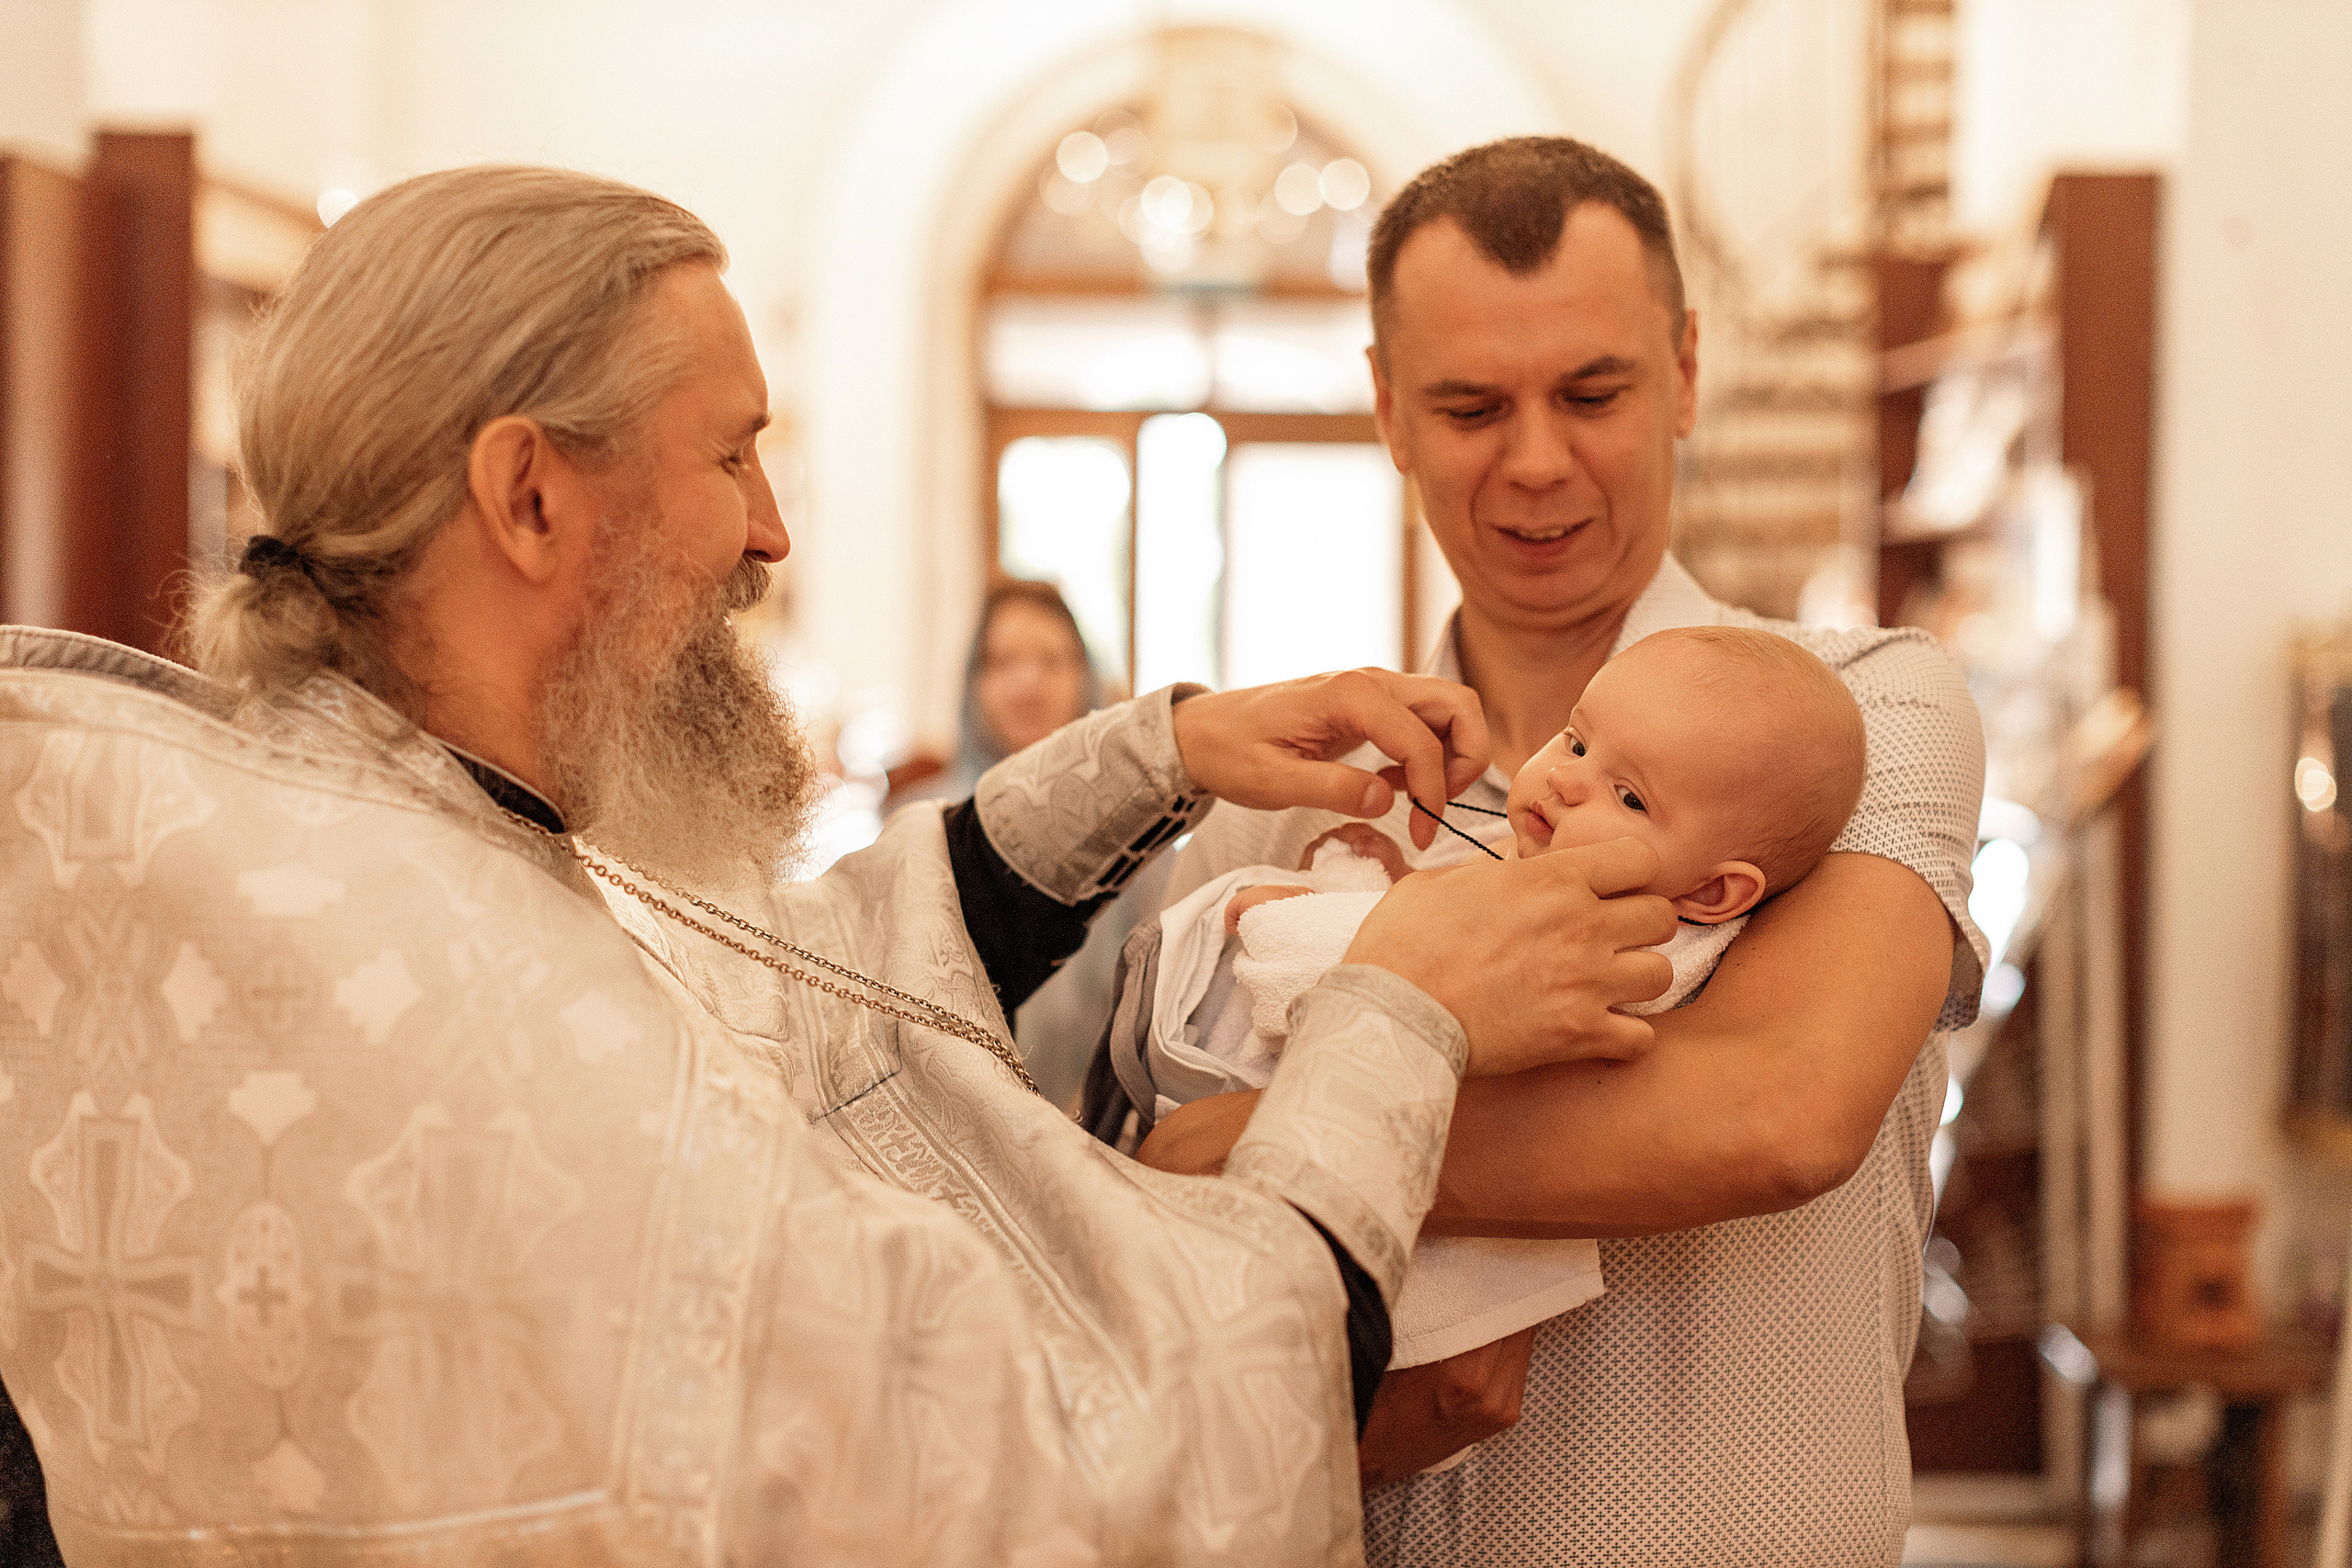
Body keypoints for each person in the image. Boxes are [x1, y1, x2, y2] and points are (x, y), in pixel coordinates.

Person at [0, 165, 1685, 1565]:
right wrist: (1393, 1006)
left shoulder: (298, 850)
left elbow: (764, 993)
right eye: (731, 451)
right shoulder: (494, 1030)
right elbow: (1134, 1457)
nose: (770, 529)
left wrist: (1151, 757)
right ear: (527, 493)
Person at [1133, 137, 1989, 1563]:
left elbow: (1777, 1110)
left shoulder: (1858, 715)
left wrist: (1257, 1145)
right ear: (1390, 412)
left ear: (1690, 374)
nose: (1538, 460)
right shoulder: (1286, 802)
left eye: (1594, 392)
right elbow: (1159, 1261)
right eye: (1471, 406)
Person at [1089, 626, 1868, 1424]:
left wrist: (1300, 919)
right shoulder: (1554, 874)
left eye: (1629, 796)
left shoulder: (1640, 947)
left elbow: (1359, 982)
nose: (1566, 782)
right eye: (1575, 741)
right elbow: (1440, 947)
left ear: (1712, 894)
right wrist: (1382, 879)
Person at [896, 579, 1164, 1109]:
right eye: (1004, 661)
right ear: (973, 682)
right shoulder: (924, 824)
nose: (1028, 681)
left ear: (1085, 678)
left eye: (1051, 660)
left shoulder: (1140, 827)